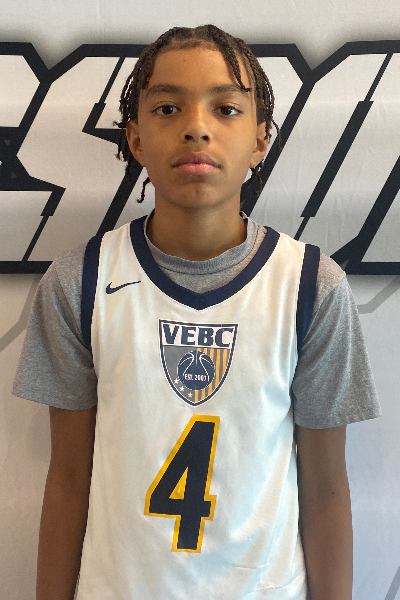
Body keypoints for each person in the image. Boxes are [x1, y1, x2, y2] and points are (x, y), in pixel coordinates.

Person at [12, 24, 381, 600]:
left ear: (260, 140)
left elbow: (327, 487)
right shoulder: (79, 281)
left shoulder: (311, 286)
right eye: (167, 107)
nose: (196, 127)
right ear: (136, 138)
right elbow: (67, 478)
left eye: (226, 108)